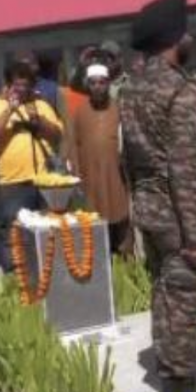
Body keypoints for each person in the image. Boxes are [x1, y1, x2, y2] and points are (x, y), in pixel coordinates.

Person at [120, 0, 196, 392]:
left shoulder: (133, 89)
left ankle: (169, 378)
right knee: (186, 300)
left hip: (151, 212)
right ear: (172, 39)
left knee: (164, 293)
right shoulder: (180, 93)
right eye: (185, 31)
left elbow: (129, 158)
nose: (191, 37)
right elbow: (183, 170)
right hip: (180, 219)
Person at [0, 61, 64, 271]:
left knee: (48, 229)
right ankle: (18, 279)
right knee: (16, 234)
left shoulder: (42, 104)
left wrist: (39, 121)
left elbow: (57, 134)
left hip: (44, 179)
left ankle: (48, 273)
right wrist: (10, 109)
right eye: (17, 85)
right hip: (14, 183)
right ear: (9, 85)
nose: (22, 89)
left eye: (26, 84)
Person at [64, 64, 132, 254]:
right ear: (88, 85)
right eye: (93, 83)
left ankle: (126, 264)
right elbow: (73, 145)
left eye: (102, 83)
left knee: (122, 223)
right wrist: (76, 175)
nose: (98, 87)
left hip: (116, 178)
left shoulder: (119, 108)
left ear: (108, 84)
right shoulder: (79, 112)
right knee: (95, 226)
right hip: (91, 178)